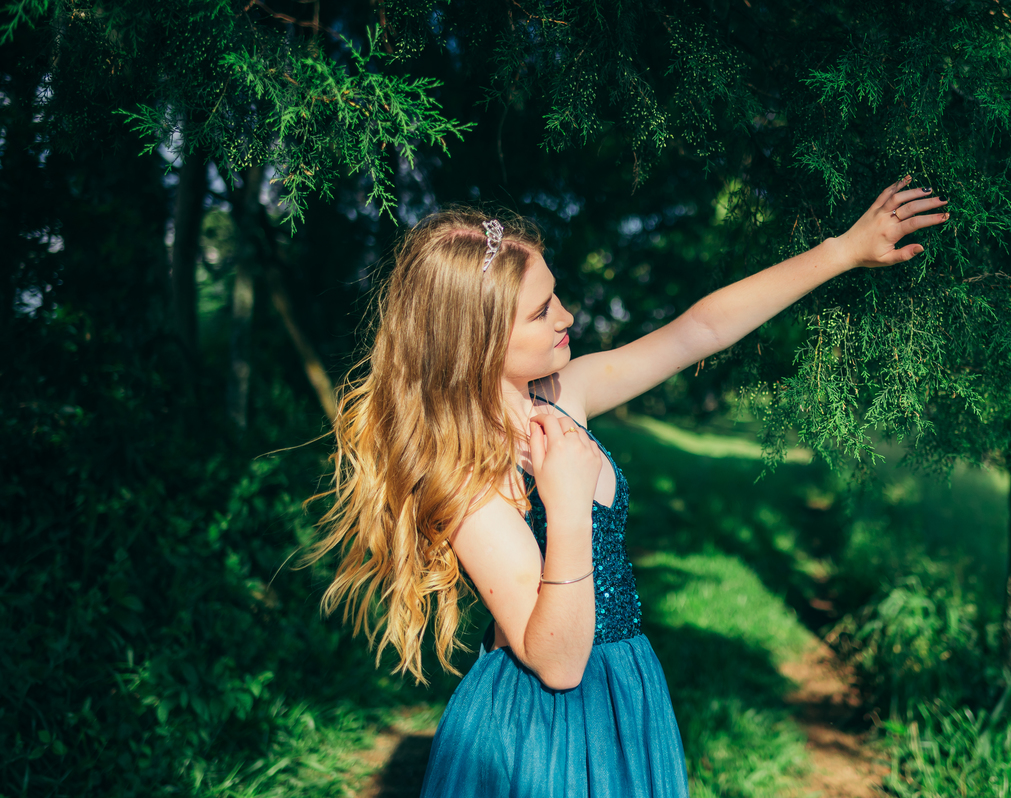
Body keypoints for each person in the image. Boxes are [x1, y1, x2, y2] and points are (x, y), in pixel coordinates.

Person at [310, 177, 949, 797]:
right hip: (544, 735)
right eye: (541, 311)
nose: (568, 314)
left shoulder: (564, 396)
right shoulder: (468, 477)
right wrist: (565, 507)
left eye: (555, 295)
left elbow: (698, 331)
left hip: (626, 693)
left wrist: (844, 250)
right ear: (477, 341)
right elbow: (555, 663)